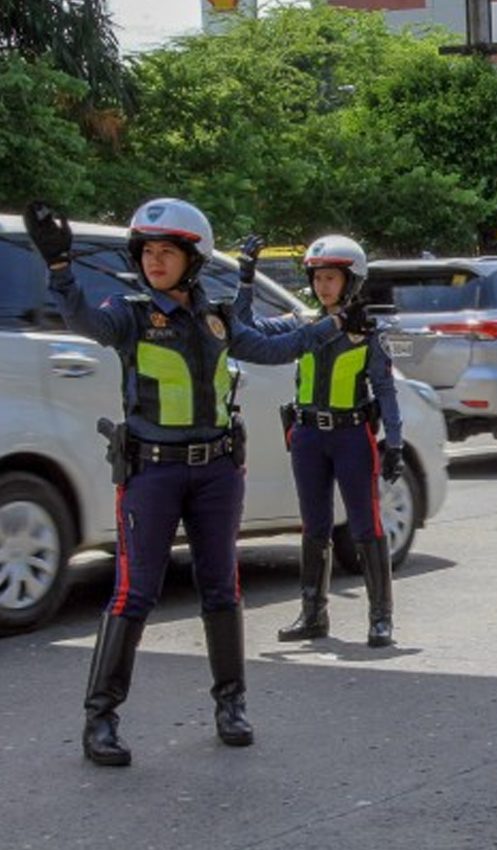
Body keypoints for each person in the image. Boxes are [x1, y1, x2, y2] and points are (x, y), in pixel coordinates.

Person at [22, 199, 370, 767]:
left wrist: (332, 326)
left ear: (194, 260)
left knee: (220, 586)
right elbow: (83, 321)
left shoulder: (218, 317)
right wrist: (60, 270)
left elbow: (274, 349)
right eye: (148, 252)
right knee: (135, 592)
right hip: (152, 472)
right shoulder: (128, 312)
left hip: (216, 472)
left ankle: (231, 706)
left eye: (167, 252)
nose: (155, 262)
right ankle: (101, 719)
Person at [234, 234, 403, 648]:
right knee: (314, 526)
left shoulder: (369, 334)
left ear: (352, 281)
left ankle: (381, 618)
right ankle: (313, 615)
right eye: (318, 277)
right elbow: (244, 330)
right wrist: (245, 279)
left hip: (352, 437)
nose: (323, 286)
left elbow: (385, 390)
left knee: (366, 526)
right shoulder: (302, 323)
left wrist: (395, 442)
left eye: (332, 278)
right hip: (308, 436)